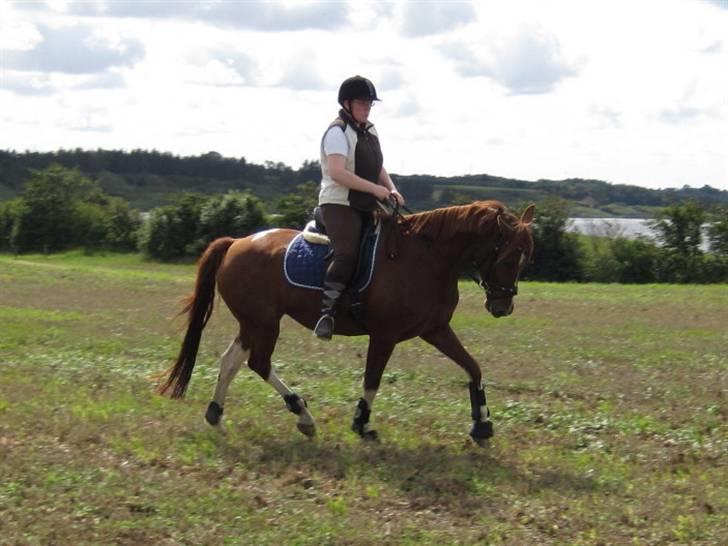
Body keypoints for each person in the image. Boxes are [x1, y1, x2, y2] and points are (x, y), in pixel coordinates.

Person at [314, 75, 405, 340]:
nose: (367, 107)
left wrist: (392, 189)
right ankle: (327, 313)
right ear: (347, 103)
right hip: (338, 202)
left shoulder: (369, 130)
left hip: (367, 200)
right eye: (363, 103)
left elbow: (378, 168)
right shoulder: (337, 132)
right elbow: (337, 173)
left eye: (369, 104)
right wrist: (375, 189)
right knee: (347, 253)